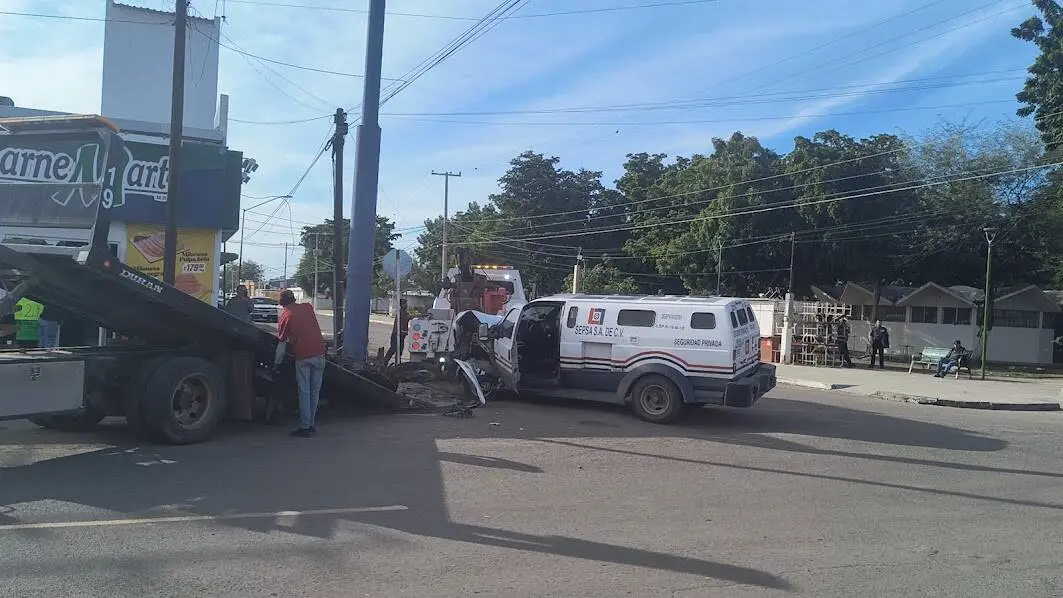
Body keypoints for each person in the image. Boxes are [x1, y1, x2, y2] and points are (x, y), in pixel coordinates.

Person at [275, 289, 327, 437]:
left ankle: (305, 427)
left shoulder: (285, 315)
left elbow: (282, 343)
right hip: (319, 353)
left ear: (281, 302)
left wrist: (276, 363)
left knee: (305, 392)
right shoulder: (307, 307)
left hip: (303, 356)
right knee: (314, 392)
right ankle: (310, 424)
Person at [383, 298, 409, 365]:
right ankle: (384, 362)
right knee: (393, 349)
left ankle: (397, 363)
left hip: (401, 335)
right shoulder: (401, 312)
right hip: (396, 334)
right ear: (401, 305)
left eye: (406, 303)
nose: (406, 305)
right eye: (404, 303)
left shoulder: (404, 312)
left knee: (399, 350)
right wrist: (421, 316)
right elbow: (408, 317)